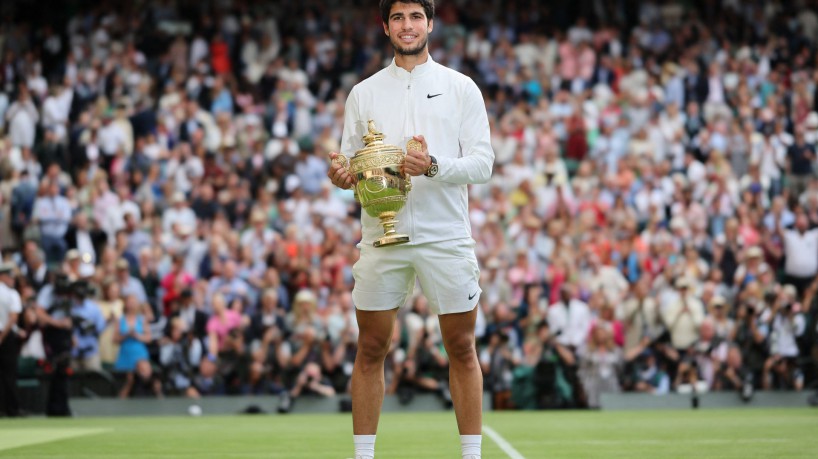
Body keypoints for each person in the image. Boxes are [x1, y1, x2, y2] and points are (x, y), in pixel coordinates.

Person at [326, 1, 494, 458]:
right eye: (398, 17)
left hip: (445, 234)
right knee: (372, 346)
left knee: (461, 346)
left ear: (430, 24)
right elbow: (350, 163)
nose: (407, 26)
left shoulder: (460, 87)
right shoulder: (363, 93)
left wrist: (434, 165)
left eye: (415, 16)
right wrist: (342, 176)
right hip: (381, 234)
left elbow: (483, 164)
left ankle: (471, 455)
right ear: (385, 26)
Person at [0, 262, 24, 417]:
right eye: (10, 276)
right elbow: (13, 317)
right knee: (9, 374)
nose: (12, 279)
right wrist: (2, 337)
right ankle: (12, 409)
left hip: (5, 335)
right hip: (6, 337)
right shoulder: (11, 293)